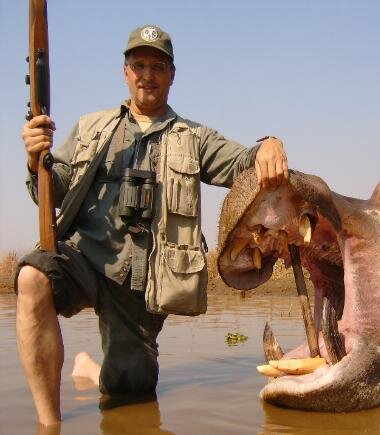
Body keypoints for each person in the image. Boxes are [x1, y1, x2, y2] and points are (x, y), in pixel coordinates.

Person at [17, 24, 288, 426]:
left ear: (171, 75)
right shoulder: (92, 128)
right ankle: (49, 423)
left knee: (129, 394)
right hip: (85, 257)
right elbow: (49, 194)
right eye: (139, 65)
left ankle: (89, 368)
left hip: (144, 282)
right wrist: (36, 159)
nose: (148, 75)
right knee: (31, 279)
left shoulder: (195, 136)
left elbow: (240, 163)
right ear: (125, 72)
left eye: (158, 66)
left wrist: (269, 143)